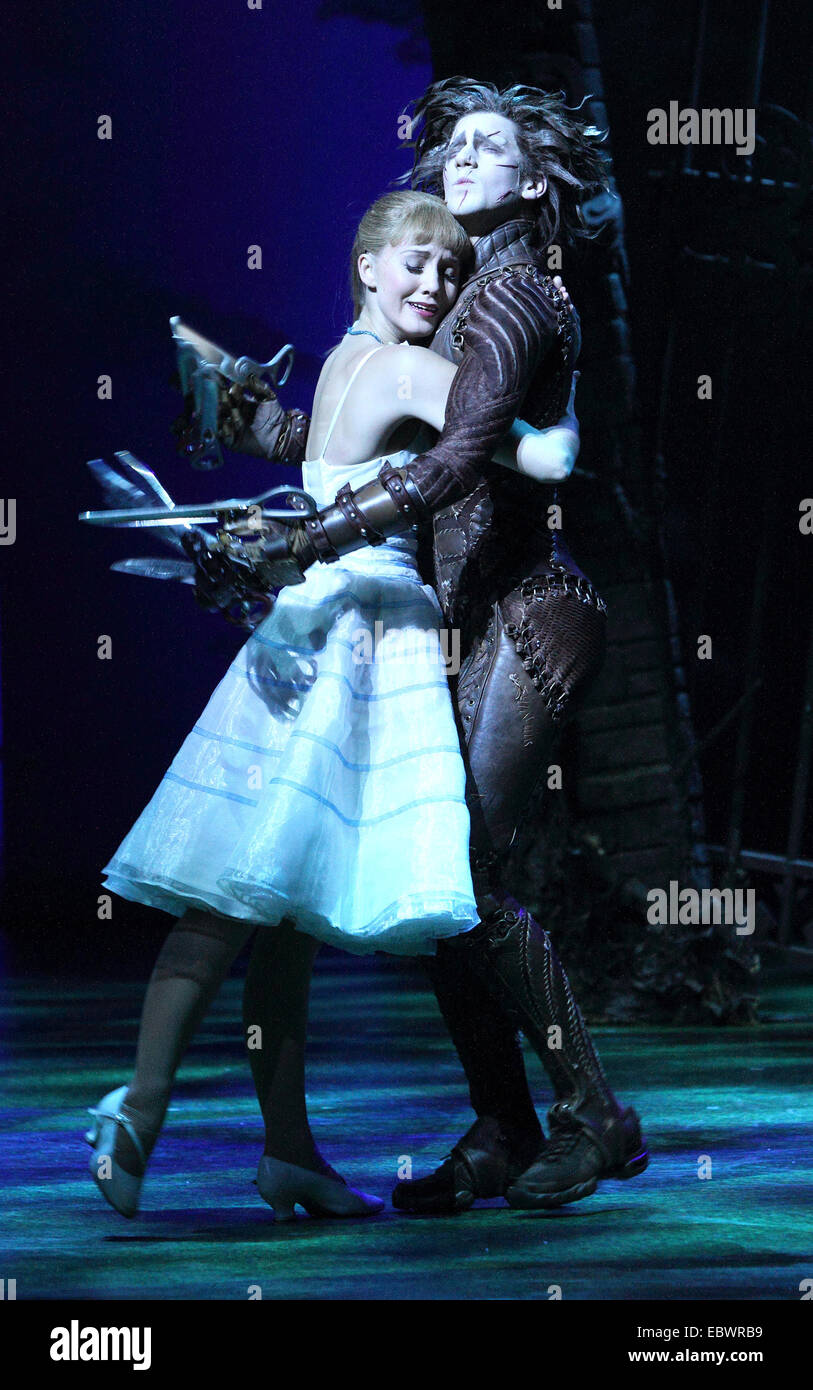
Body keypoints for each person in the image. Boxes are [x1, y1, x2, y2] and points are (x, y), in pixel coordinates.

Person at [85, 190, 579, 1221]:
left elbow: (319, 461)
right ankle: (138, 1107)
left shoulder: (338, 359)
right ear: (365, 266)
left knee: (282, 910)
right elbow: (533, 451)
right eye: (414, 265)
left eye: (449, 273)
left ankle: (289, 1152)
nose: (436, 287)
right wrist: (550, 414)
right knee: (234, 898)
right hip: (359, 639)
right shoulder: (402, 367)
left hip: (306, 624)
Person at [237, 79, 649, 1213]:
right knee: (438, 881)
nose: (462, 160)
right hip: (473, 616)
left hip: (528, 615)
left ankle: (591, 1113)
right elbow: (371, 444)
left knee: (466, 875)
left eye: (489, 150)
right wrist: (253, 424)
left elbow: (462, 458)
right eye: (454, 145)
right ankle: (507, 1125)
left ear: (531, 179)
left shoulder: (514, 299)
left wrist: (311, 535)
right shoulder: (464, 295)